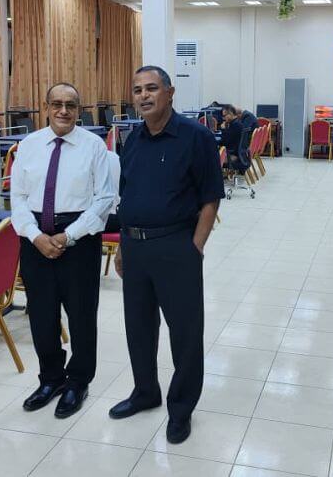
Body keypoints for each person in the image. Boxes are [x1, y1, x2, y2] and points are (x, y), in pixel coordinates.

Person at [109, 65, 224, 445]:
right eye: (137, 89)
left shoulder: (196, 137)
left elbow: (211, 198)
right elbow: (127, 197)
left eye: (152, 88)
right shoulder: (133, 140)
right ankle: (145, 392)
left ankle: (181, 408)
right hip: (135, 247)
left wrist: (195, 247)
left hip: (177, 247)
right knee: (139, 327)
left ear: (170, 93)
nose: (144, 96)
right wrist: (123, 246)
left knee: (185, 333)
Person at [11, 82, 116, 418]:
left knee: (82, 316)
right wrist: (35, 236)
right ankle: (51, 378)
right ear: (46, 107)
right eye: (56, 104)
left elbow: (104, 199)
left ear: (79, 110)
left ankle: (78, 382)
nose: (63, 111)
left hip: (79, 238)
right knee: (41, 316)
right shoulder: (28, 145)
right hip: (35, 239)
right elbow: (17, 198)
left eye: (70, 105)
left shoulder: (94, 147)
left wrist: (68, 236)